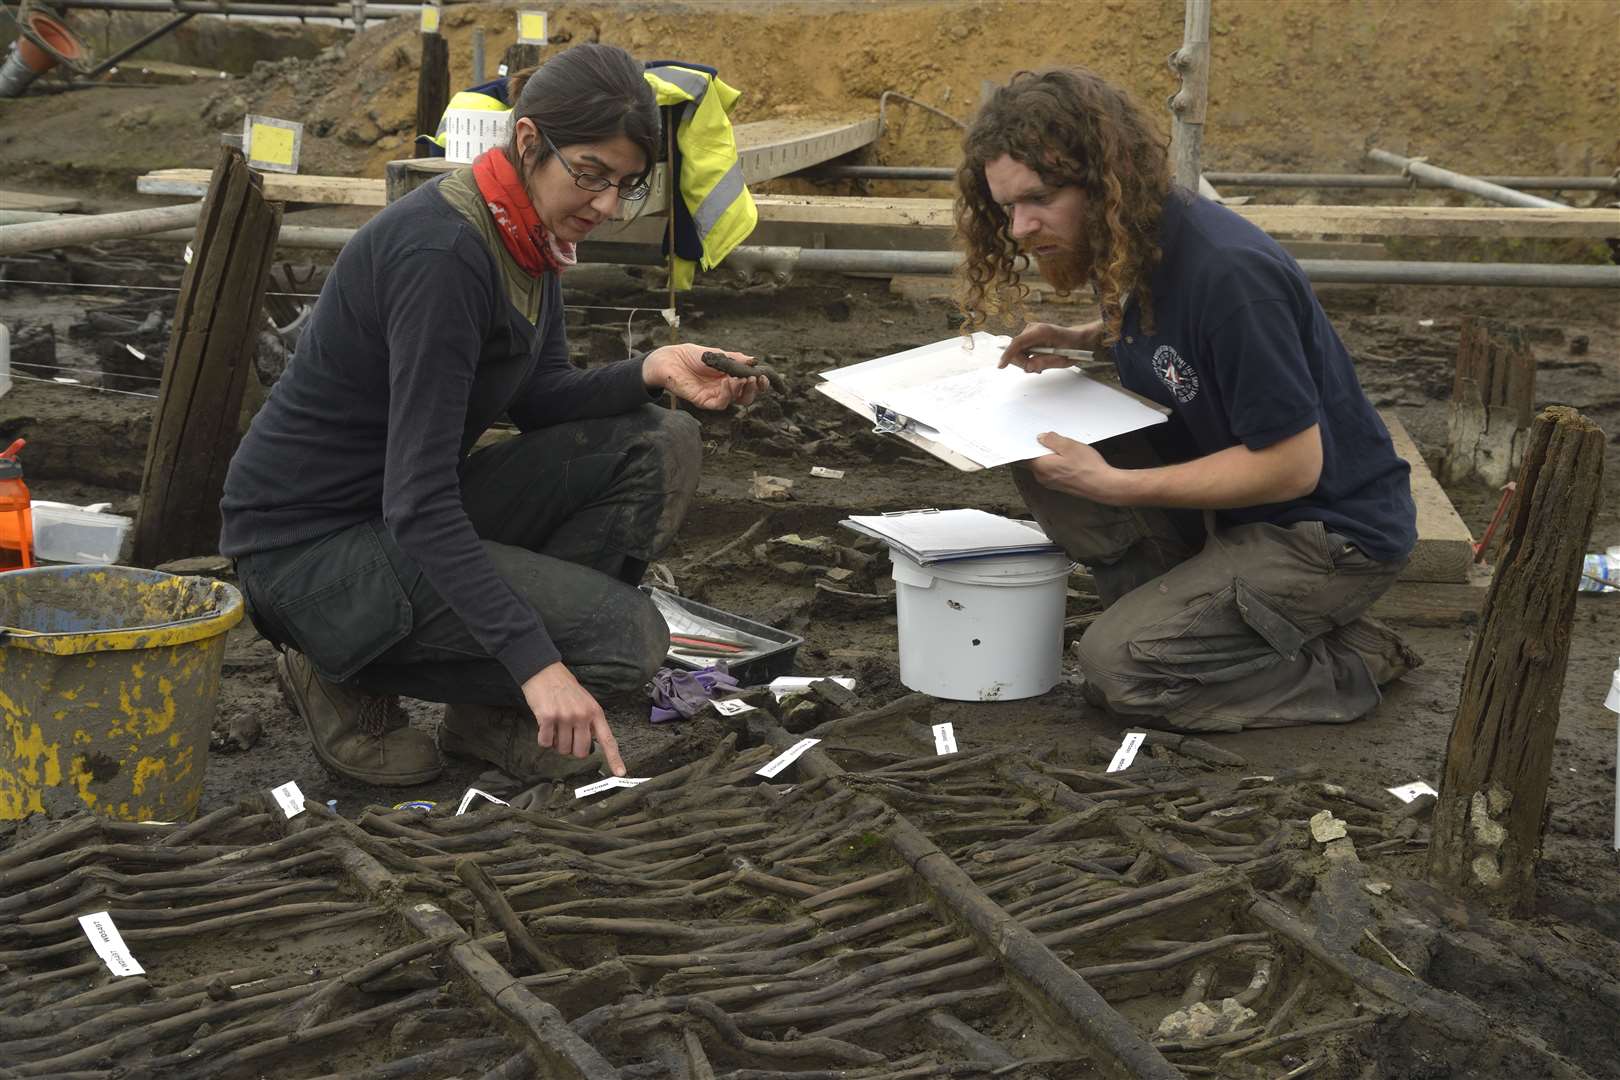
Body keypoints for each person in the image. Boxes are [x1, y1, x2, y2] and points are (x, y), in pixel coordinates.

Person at [221, 43, 767, 786]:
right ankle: (338, 671)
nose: (606, 205)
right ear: (529, 140)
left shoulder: (526, 235)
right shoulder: (445, 253)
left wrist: (653, 369)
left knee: (659, 440)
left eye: (627, 186)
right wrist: (537, 662)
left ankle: (490, 716)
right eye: (590, 174)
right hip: (310, 552)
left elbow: (541, 398)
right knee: (625, 641)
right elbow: (418, 502)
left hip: (390, 514)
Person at [953, 67, 1420, 734]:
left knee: (1121, 673)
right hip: (1237, 513)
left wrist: (1115, 486)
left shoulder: (1229, 276)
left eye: (1041, 199)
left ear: (1107, 177)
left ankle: (1350, 661)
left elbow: (1292, 467)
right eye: (1006, 208)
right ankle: (1185, 617)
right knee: (1036, 438)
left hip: (1325, 535)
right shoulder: (1130, 244)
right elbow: (1181, 349)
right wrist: (1087, 339)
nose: (1022, 227)